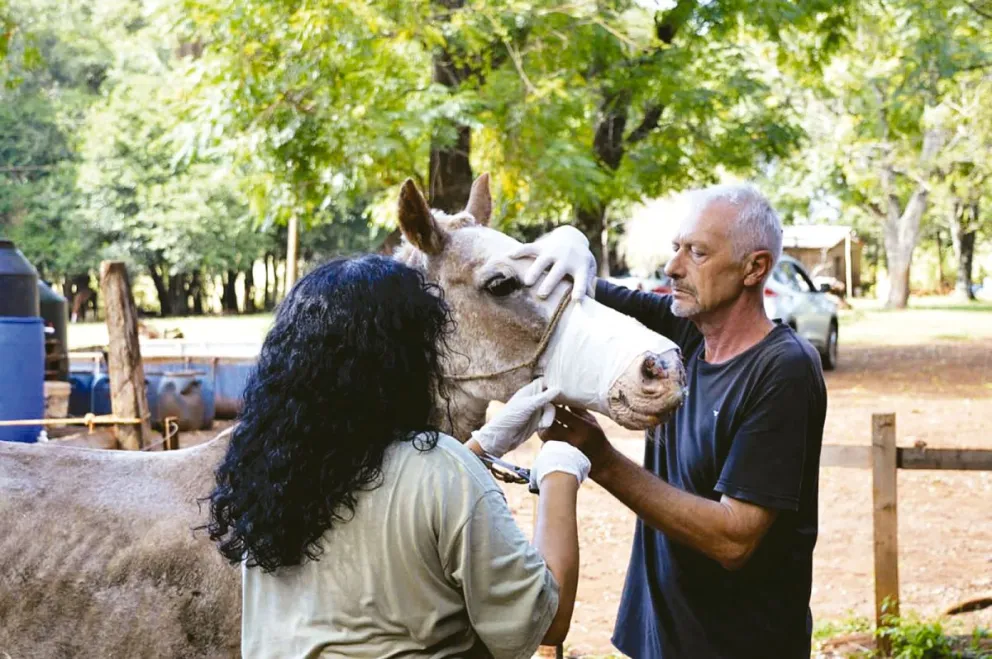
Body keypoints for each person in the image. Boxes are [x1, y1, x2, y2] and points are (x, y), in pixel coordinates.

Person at [205, 254, 591, 659]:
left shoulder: (269, 471)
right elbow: (548, 620)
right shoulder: (439, 469)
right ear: (408, 359)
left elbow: (390, 503)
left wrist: (480, 446)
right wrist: (560, 471)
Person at [515, 184, 827, 658]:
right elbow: (570, 290)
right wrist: (566, 241)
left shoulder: (783, 370)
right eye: (676, 248)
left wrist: (602, 460)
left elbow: (734, 537)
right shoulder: (684, 330)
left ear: (755, 268)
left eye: (697, 253)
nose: (673, 267)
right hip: (655, 639)